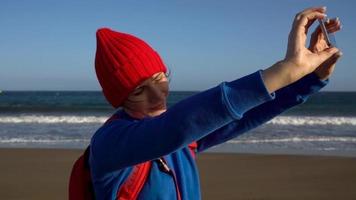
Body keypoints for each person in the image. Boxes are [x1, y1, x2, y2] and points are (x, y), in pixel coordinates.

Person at [90, 7, 342, 199]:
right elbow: (176, 127)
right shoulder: (110, 144)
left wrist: (312, 78)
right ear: (119, 100)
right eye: (139, 91)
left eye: (160, 78)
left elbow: (243, 114)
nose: (158, 95)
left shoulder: (183, 140)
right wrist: (284, 70)